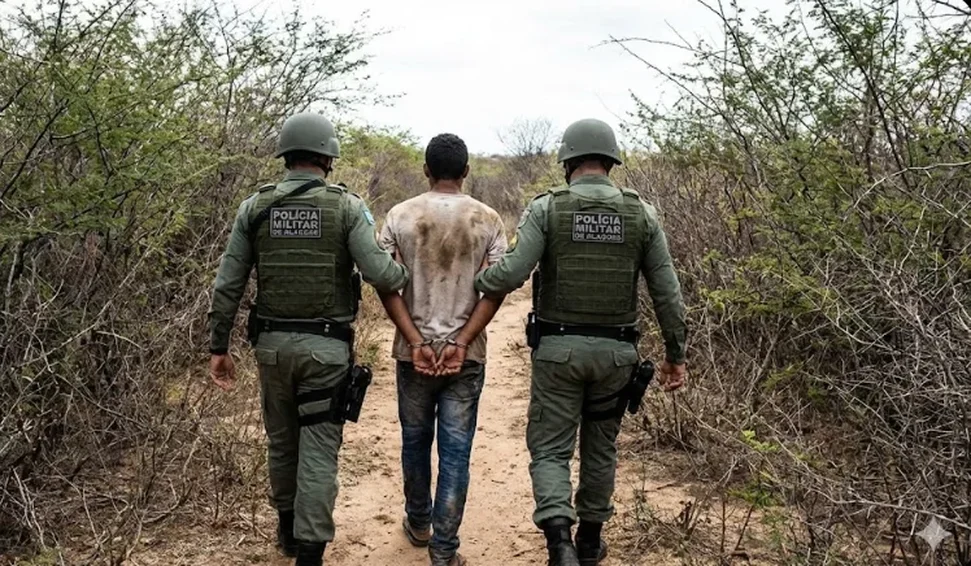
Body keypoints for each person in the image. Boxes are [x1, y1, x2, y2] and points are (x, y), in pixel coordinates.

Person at [474, 119, 688, 566]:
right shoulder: (642, 214)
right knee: (601, 447)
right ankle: (590, 541)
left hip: (558, 353)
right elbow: (668, 294)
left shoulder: (548, 209)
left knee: (551, 449)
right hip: (618, 356)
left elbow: (512, 273)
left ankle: (560, 545)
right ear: (611, 162)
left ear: (567, 162)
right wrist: (676, 355)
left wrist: (477, 280)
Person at [207, 112, 409, 566]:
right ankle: (311, 552)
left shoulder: (254, 207)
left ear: (285, 155)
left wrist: (218, 347)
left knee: (282, 442)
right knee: (319, 449)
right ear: (328, 158)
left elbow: (227, 286)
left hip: (272, 351)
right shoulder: (346, 207)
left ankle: (287, 532)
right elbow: (380, 274)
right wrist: (402, 270)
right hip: (326, 352)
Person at [377, 133, 508, 566]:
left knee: (414, 441)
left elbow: (386, 284)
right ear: (466, 171)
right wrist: (461, 341)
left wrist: (416, 341)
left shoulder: (399, 215)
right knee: (456, 453)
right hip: (466, 356)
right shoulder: (488, 218)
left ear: (426, 170)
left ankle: (418, 523)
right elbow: (495, 289)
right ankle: (444, 550)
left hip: (411, 353)